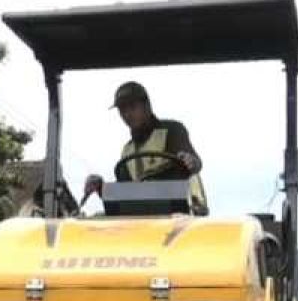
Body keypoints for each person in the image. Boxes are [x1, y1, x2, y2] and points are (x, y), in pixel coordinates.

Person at [83, 81, 208, 214]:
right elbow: (124, 194)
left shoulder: (171, 130)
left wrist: (191, 161)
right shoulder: (127, 151)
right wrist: (101, 187)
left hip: (177, 215)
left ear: (147, 106)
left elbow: (194, 164)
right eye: (122, 110)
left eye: (132, 107)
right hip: (140, 222)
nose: (127, 115)